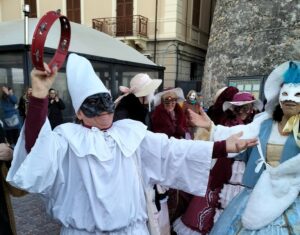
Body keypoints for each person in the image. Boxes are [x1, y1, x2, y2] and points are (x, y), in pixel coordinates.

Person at [7, 53, 257, 235]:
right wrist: (39, 99)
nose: (103, 111)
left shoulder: (131, 135)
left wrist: (223, 147)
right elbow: (36, 151)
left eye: (106, 102)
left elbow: (172, 150)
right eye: (92, 104)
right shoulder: (65, 139)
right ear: (79, 113)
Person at [189, 61, 300, 234]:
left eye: (297, 94)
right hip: (254, 195)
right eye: (285, 93)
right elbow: (239, 133)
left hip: (290, 199)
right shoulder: (264, 124)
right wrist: (211, 127)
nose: (290, 99)